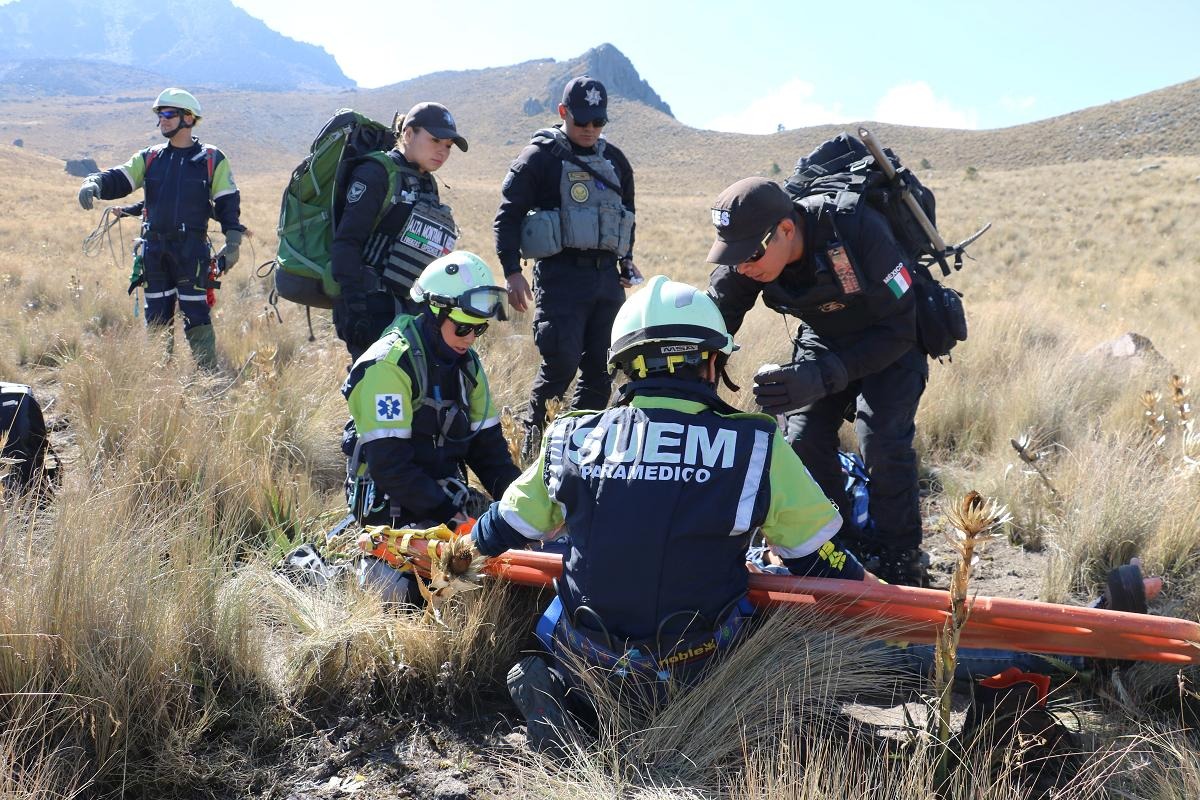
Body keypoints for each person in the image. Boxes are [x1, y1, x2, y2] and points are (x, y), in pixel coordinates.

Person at [467, 275, 869, 749]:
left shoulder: (571, 436)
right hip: (697, 672)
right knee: (762, 603)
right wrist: (871, 587)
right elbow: (818, 564)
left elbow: (501, 528)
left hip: (585, 660)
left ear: (625, 367)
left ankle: (575, 705)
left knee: (562, 589)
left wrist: (459, 547)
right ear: (713, 362)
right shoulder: (756, 445)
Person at [705, 177, 929, 586]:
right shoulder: (749, 249)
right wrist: (692, 374)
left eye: (750, 255)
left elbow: (901, 329)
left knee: (881, 438)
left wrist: (823, 376)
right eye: (732, 256)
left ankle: (903, 558)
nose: (743, 267)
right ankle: (839, 545)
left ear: (787, 230)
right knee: (802, 438)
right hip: (823, 339)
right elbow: (716, 318)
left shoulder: (857, 228)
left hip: (890, 341)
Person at [341, 251, 519, 602]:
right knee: (423, 593)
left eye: (479, 329)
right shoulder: (387, 367)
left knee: (505, 555)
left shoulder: (468, 366)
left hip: (445, 495)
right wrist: (452, 517)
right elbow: (390, 467)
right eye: (463, 327)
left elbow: (490, 453)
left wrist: (518, 508)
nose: (470, 338)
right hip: (392, 505)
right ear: (435, 311)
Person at [493, 75, 641, 454]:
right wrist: (512, 271)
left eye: (598, 122)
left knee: (601, 371)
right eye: (582, 122)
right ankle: (533, 447)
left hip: (606, 280)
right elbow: (508, 215)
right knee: (560, 363)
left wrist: (625, 260)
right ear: (563, 113)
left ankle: (576, 448)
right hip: (560, 278)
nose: (590, 130)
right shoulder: (539, 157)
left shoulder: (616, 160)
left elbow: (627, 214)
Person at [77, 88, 243, 371]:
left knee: (196, 316)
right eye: (159, 114)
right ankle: (157, 384)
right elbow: (121, 177)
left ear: (188, 118)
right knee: (156, 319)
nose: (161, 120)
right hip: (153, 252)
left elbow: (227, 201)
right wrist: (95, 182)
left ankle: (208, 383)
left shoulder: (213, 158)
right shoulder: (150, 157)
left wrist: (234, 243)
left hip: (192, 253)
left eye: (168, 114)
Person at [332, 102, 465, 363]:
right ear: (408, 134)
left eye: (448, 145)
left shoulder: (427, 181)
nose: (443, 151)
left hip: (408, 308)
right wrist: (356, 307)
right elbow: (347, 242)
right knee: (377, 388)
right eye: (435, 139)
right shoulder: (376, 173)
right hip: (368, 304)